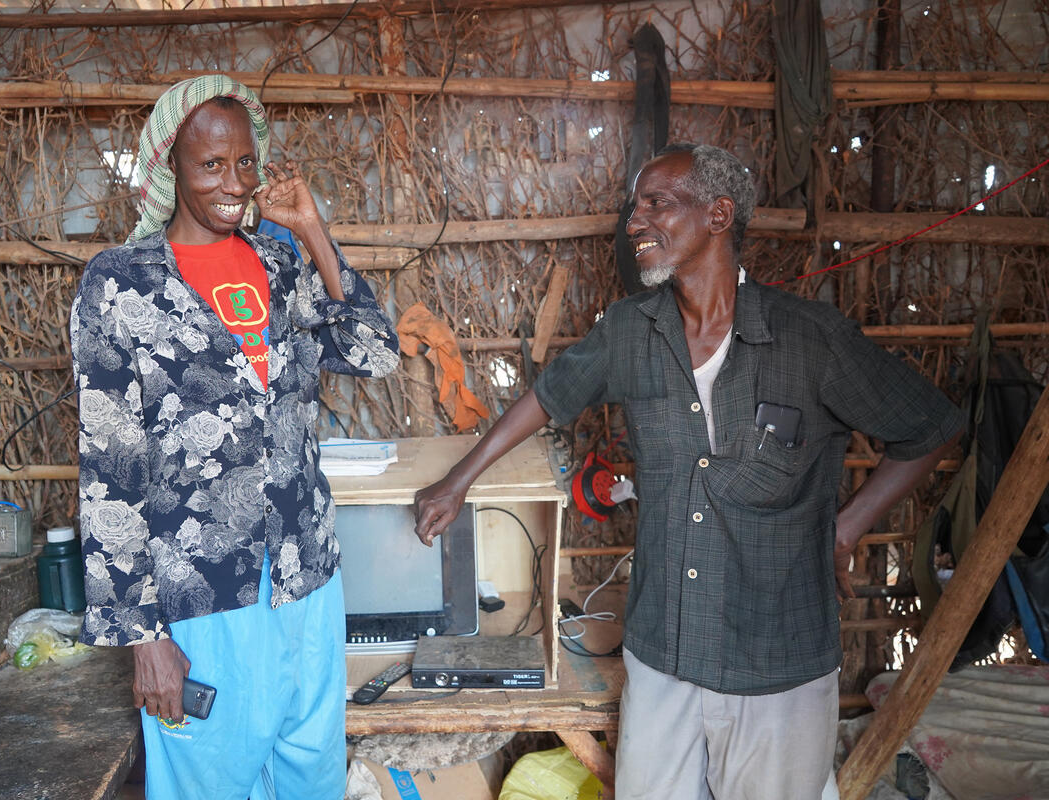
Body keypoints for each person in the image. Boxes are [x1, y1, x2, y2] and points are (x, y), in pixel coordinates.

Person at [414, 143, 964, 800]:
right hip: (665, 653)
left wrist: (848, 527)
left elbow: (929, 427)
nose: (635, 222)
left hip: (777, 661)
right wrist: (459, 480)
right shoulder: (630, 331)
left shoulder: (808, 340)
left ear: (718, 214)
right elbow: (550, 395)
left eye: (657, 204)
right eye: (633, 207)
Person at [70, 75, 399, 800]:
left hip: (305, 577)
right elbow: (110, 466)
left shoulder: (284, 266)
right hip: (201, 594)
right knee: (212, 784)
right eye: (211, 165)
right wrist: (143, 636)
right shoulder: (121, 286)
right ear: (170, 170)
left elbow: (374, 351)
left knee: (309, 775)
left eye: (245, 162)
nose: (233, 181)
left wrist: (312, 229)